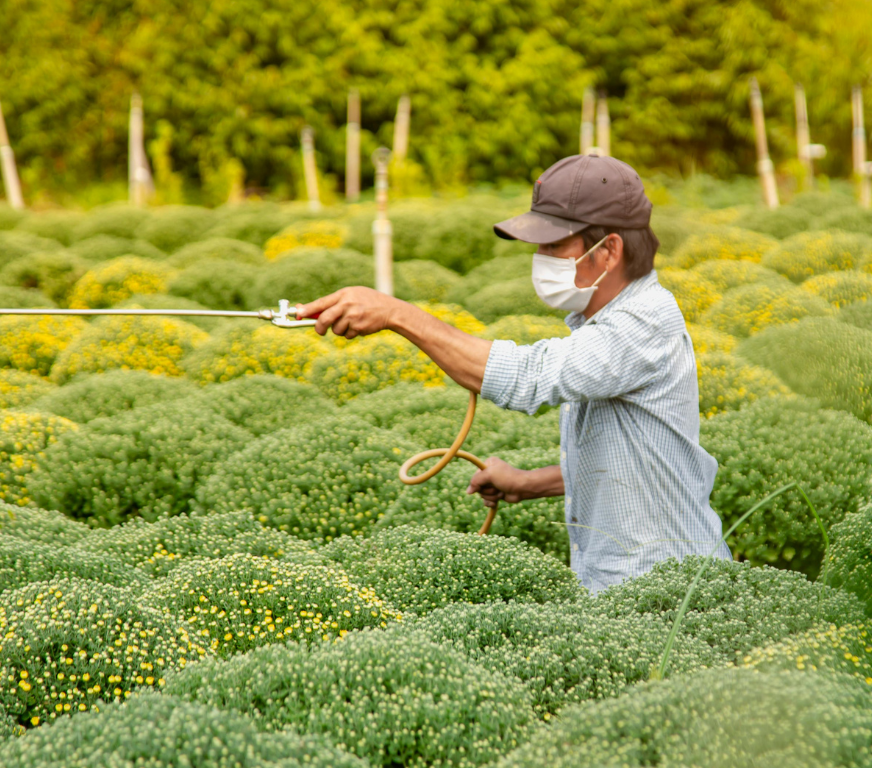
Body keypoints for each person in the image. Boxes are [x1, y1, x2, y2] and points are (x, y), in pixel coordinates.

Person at [298, 153, 728, 592]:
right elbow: (634, 459)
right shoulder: (603, 323)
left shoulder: (643, 322)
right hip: (627, 583)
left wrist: (397, 314)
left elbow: (529, 378)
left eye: (554, 246)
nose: (540, 259)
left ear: (610, 251)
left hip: (668, 593)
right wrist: (527, 484)